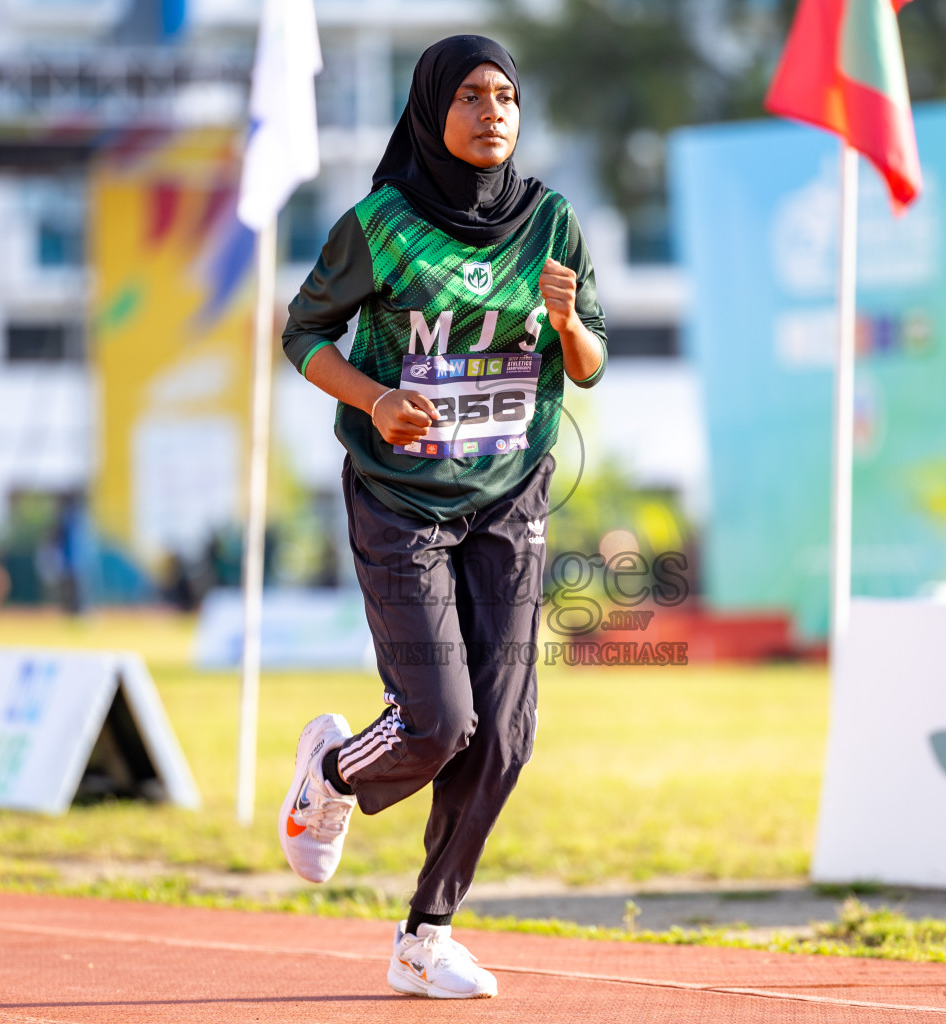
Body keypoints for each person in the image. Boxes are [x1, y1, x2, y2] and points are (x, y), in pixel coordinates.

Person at [276, 35, 606, 1000]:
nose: (493, 111)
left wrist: (571, 320)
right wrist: (376, 397)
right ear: (432, 110)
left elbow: (587, 363)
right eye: (470, 95)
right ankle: (333, 772)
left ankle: (425, 934)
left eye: (506, 95)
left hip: (509, 493)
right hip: (401, 496)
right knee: (440, 721)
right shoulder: (380, 225)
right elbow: (301, 333)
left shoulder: (552, 224)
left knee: (504, 735)